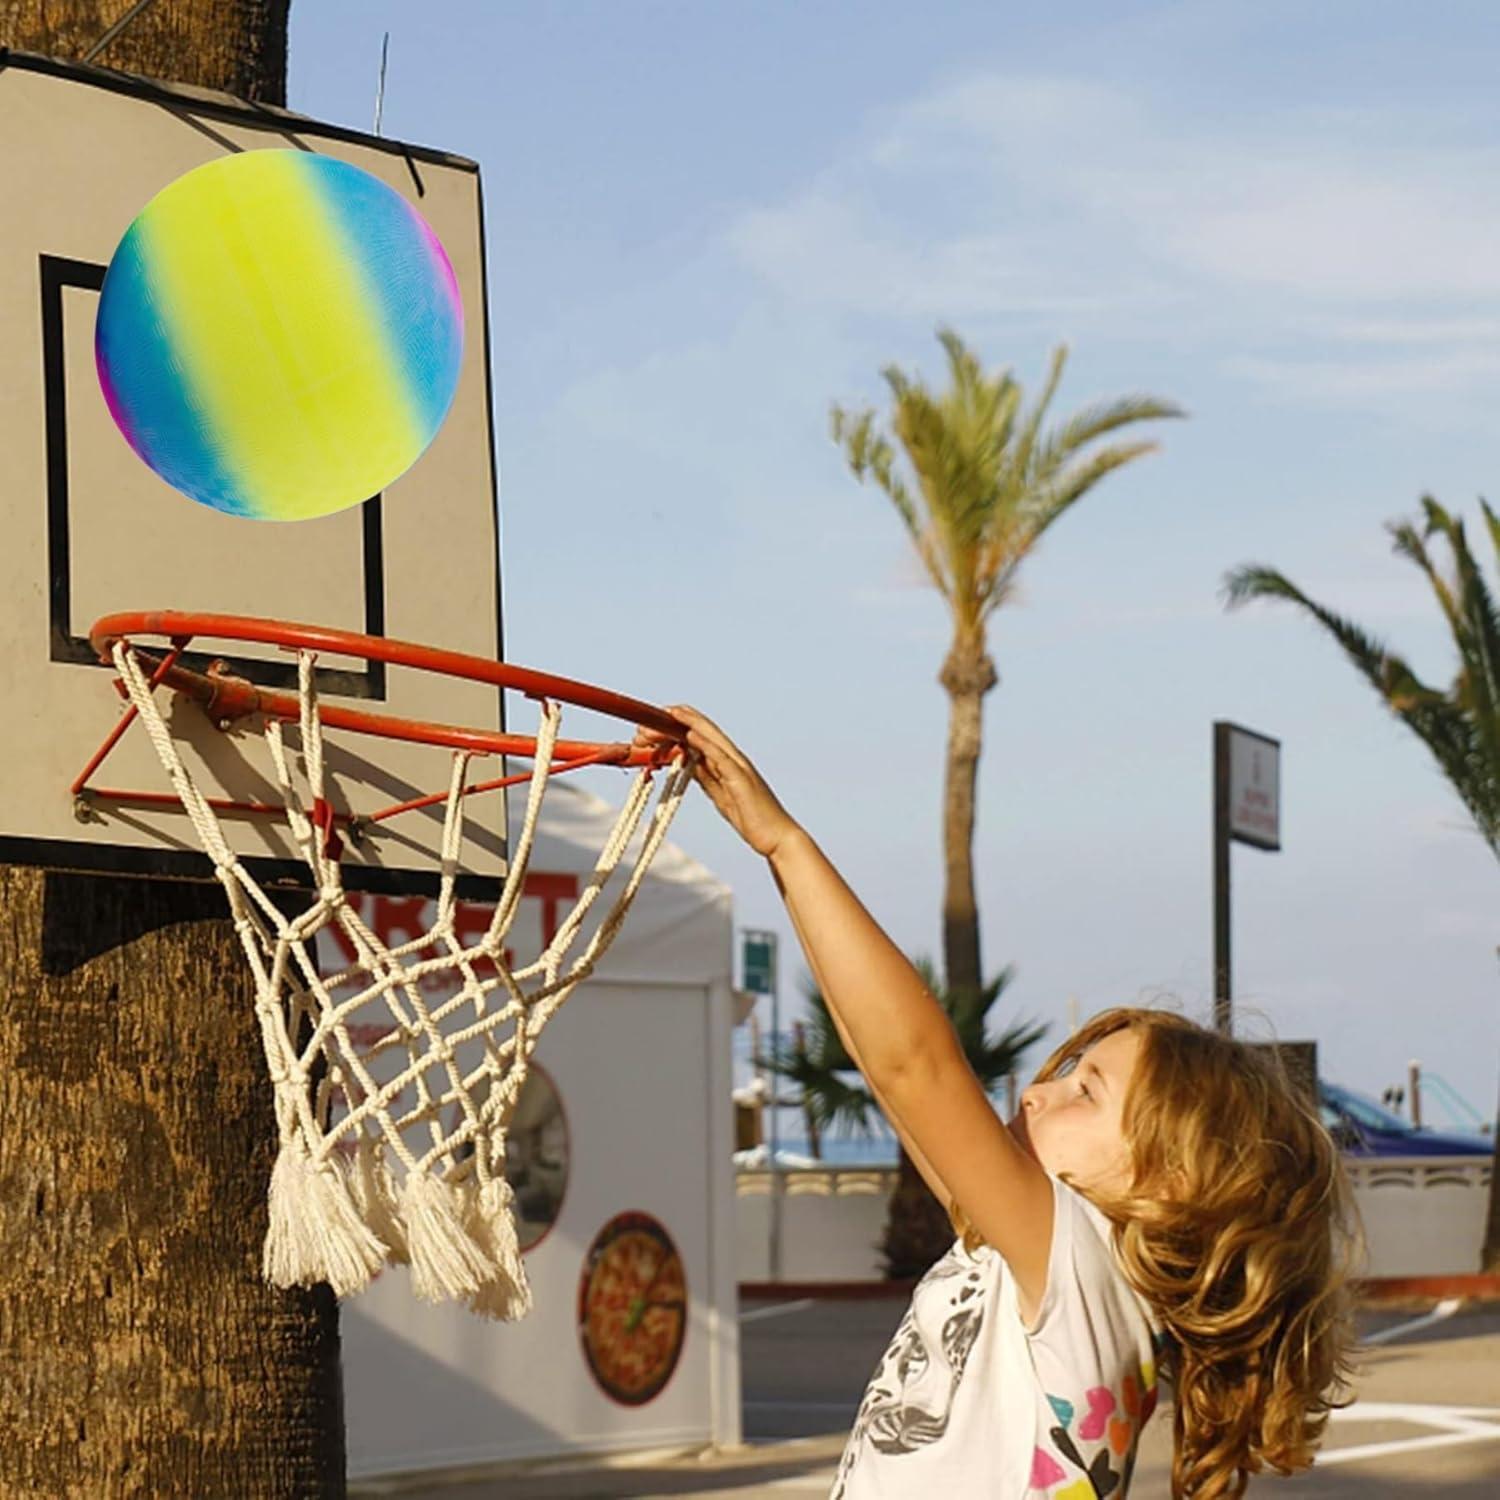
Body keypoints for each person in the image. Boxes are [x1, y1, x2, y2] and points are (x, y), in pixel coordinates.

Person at [636, 707, 1357, 1499]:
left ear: (1171, 1184)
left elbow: (916, 1066)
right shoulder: (1036, 1268)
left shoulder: (1084, 1266)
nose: (1041, 1091)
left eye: (1087, 1092)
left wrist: (788, 842)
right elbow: (890, 1078)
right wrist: (774, 860)